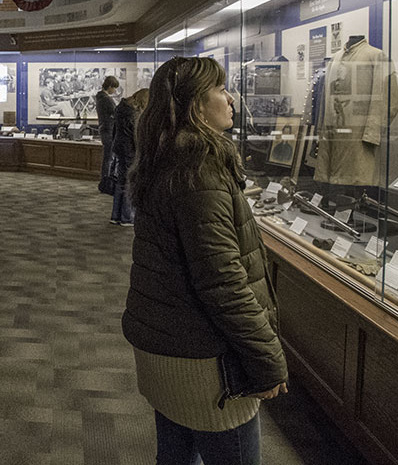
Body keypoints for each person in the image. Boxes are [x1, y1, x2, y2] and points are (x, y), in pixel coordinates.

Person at [122, 56, 288, 465]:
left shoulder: (167, 160)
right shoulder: (199, 170)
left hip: (169, 346)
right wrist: (267, 359)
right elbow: (223, 282)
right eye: (220, 90)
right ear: (197, 105)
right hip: (204, 366)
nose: (230, 99)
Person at [110, 88, 148, 225]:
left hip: (119, 148)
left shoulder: (120, 108)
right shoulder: (133, 113)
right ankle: (127, 216)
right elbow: (136, 136)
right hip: (130, 151)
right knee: (129, 183)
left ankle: (116, 215)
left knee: (121, 181)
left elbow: (115, 130)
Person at [95, 75, 119, 180]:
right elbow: (116, 112)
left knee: (108, 156)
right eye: (114, 88)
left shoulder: (100, 98)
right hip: (109, 130)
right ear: (109, 86)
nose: (114, 91)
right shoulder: (106, 99)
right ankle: (106, 179)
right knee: (108, 157)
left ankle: (105, 178)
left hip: (104, 128)